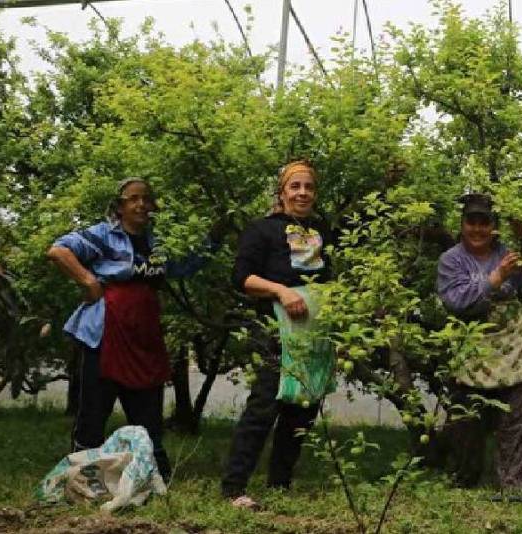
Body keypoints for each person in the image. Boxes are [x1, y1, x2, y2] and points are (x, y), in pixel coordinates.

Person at [48, 178, 214, 482]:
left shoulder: (160, 242)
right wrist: (88, 281)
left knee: (148, 414)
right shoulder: (104, 235)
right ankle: (82, 480)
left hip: (145, 335)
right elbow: (59, 250)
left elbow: (189, 265)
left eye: (146, 199)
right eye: (133, 199)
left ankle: (155, 478)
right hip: (105, 334)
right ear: (120, 206)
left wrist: (213, 229)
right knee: (93, 413)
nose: (140, 205)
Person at [221, 160, 334, 509]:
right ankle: (234, 487)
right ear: (282, 192)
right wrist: (283, 292)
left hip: (314, 331)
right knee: (265, 405)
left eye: (308, 187)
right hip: (274, 329)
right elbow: (241, 277)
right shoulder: (263, 230)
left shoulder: (323, 231)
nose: (302, 193)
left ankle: (280, 482)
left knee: (303, 406)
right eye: (295, 186)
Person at [435, 193, 522, 490]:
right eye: (472, 221)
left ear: (494, 226)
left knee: (517, 420)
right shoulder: (451, 260)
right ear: (462, 224)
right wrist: (496, 277)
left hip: (515, 348)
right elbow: (456, 301)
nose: (478, 228)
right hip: (473, 349)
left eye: (485, 222)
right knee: (467, 423)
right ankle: (464, 479)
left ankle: (513, 487)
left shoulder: (508, 251)